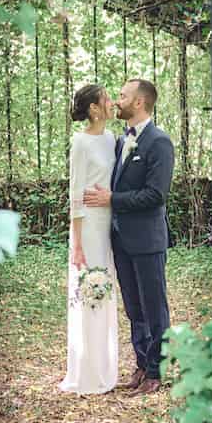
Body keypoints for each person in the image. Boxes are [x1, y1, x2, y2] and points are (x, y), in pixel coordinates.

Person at [84, 79, 174, 395]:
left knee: (154, 309)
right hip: (121, 239)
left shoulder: (159, 142)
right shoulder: (122, 140)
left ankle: (157, 372)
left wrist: (112, 200)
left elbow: (156, 195)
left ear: (139, 103)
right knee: (134, 308)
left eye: (122, 96)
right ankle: (142, 365)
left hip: (148, 240)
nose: (117, 101)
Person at [59, 84, 119, 395]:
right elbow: (75, 195)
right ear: (94, 108)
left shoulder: (113, 139)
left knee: (107, 295)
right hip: (89, 228)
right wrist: (78, 244)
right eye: (106, 98)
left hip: (111, 224)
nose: (112, 102)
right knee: (91, 292)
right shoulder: (80, 142)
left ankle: (105, 367)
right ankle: (87, 373)